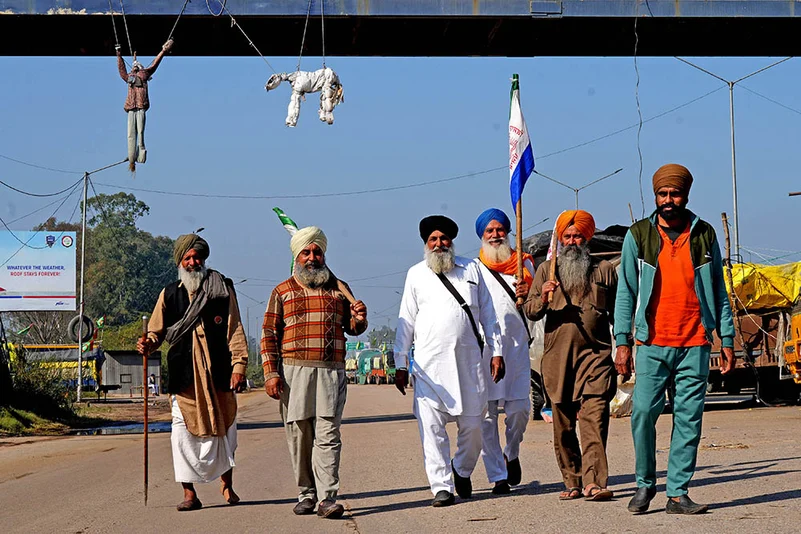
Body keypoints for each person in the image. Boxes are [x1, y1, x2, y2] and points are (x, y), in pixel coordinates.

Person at [614, 164, 735, 515]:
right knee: (641, 415)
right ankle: (644, 485)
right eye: (663, 194)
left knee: (689, 418)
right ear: (655, 196)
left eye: (675, 194)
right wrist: (622, 341)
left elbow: (718, 290)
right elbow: (626, 292)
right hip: (651, 343)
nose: (669, 200)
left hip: (695, 341)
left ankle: (678, 493)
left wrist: (725, 337)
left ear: (686, 196)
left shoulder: (704, 234)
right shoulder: (638, 235)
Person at [395, 215, 505, 507]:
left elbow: (490, 316)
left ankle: (462, 468)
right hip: (429, 370)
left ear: (452, 242)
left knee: (473, 428)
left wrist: (497, 352)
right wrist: (400, 363)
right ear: (426, 244)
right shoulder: (415, 274)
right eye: (433, 239)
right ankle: (441, 486)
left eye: (444, 238)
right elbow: (405, 322)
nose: (439, 243)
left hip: (469, 366)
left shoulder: (472, 269)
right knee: (431, 430)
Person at [261, 227, 368, 519]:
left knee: (328, 434)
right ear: (296, 256)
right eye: (306, 252)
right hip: (293, 374)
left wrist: (360, 318)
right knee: (299, 435)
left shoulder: (339, 289)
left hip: (330, 372)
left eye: (317, 251)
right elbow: (269, 334)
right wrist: (271, 374)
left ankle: (327, 498)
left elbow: (353, 329)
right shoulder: (282, 291)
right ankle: (306, 494)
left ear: (324, 254)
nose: (312, 257)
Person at [138, 234, 248, 511]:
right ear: (180, 262)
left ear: (204, 259)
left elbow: (234, 328)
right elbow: (156, 331)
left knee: (225, 431)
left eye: (196, 257)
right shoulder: (169, 293)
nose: (192, 262)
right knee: (181, 435)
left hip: (219, 374)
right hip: (184, 377)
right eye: (187, 258)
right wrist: (148, 343)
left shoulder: (221, 288)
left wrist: (239, 366)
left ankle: (227, 485)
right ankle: (189, 494)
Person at [523, 210, 618, 502]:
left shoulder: (603, 270)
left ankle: (594, 482)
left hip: (596, 357)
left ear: (587, 238)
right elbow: (530, 311)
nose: (573, 241)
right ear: (561, 240)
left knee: (594, 420)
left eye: (578, 236)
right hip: (558, 360)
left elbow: (619, 311)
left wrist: (625, 347)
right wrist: (543, 297)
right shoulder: (546, 271)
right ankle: (572, 480)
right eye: (568, 236)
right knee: (564, 426)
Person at [473, 208, 535, 494]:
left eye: (500, 230)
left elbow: (537, 305)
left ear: (509, 233)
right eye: (490, 231)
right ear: (482, 236)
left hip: (518, 348)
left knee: (520, 410)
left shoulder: (524, 263)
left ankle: (511, 452)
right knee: (488, 415)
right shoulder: (474, 269)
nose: (496, 235)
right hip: (485, 351)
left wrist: (529, 291)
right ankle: (498, 474)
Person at [116, 39, 174, 172]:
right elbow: (121, 69)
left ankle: (140, 156)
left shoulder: (144, 74)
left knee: (140, 132)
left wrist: (163, 52)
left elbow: (155, 63)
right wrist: (118, 54)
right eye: (134, 65)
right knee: (130, 134)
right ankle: (132, 158)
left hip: (141, 107)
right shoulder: (129, 76)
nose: (136, 66)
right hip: (131, 107)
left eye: (138, 65)